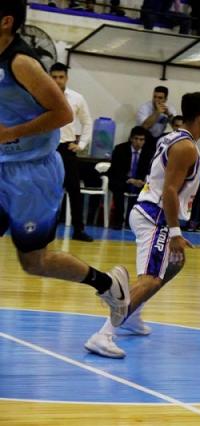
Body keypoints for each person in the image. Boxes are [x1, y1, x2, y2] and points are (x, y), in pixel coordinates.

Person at [0, 0, 130, 329]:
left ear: (5, 21)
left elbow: (63, 115)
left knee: (34, 261)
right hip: (3, 166)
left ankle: (108, 286)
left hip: (33, 175)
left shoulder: (21, 62)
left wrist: (11, 133)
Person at [84, 92, 200, 358]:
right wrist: (176, 232)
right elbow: (169, 191)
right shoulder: (186, 147)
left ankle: (131, 316)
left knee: (174, 263)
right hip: (156, 216)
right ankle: (104, 334)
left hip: (150, 211)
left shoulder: (174, 136)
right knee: (151, 279)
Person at [49, 62, 94, 242]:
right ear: (49, 77)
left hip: (67, 148)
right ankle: (46, 229)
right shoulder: (41, 96)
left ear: (66, 78)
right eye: (54, 77)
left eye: (61, 77)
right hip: (47, 149)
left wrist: (81, 144)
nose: (57, 80)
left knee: (74, 190)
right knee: (48, 191)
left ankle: (78, 230)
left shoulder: (76, 98)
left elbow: (87, 122)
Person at [108, 126, 153, 230]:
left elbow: (149, 171)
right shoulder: (120, 149)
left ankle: (136, 221)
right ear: (131, 139)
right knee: (117, 188)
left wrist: (143, 181)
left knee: (149, 189)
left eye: (141, 140)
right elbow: (115, 170)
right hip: (122, 180)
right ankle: (119, 220)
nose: (138, 142)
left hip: (139, 182)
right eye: (136, 139)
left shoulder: (149, 152)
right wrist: (130, 180)